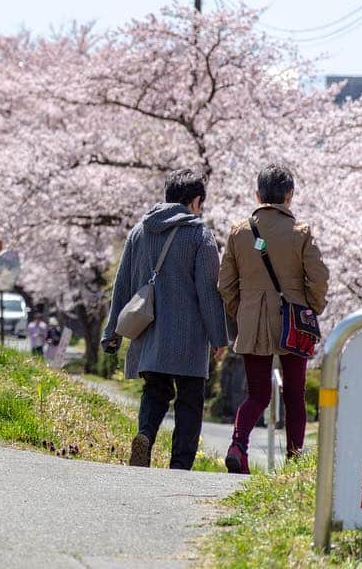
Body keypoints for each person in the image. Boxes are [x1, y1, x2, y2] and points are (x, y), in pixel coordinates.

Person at [101, 169, 229, 470]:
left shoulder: (139, 231)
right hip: (189, 336)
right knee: (189, 399)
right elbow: (208, 292)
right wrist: (219, 337)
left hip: (149, 332)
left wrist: (112, 331)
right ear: (196, 201)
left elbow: (123, 285)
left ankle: (144, 435)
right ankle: (180, 466)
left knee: (155, 391)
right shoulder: (199, 234)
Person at [219, 164, 329, 474]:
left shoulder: (240, 232)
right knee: (294, 395)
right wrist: (312, 308)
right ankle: (294, 464)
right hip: (293, 319)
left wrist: (243, 309)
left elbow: (225, 283)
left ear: (258, 194)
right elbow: (318, 279)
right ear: (289, 195)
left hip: (253, 317)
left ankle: (238, 446)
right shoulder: (301, 232)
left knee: (257, 394)